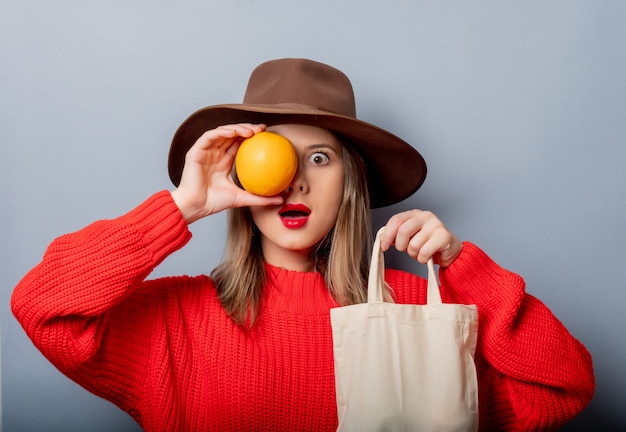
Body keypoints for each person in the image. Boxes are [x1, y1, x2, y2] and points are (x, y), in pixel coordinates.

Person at [12, 58, 594, 431]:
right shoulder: (177, 322)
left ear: (351, 181)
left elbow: (562, 385)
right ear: (242, 174)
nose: (295, 180)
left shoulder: (417, 315)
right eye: (275, 156)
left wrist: (463, 266)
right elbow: (41, 306)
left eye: (319, 158)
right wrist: (182, 206)